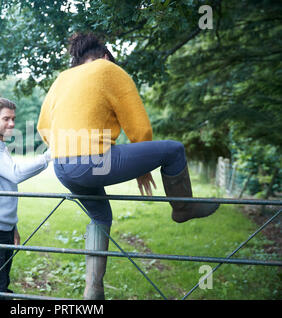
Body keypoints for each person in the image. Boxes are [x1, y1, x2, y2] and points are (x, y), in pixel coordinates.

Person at [37, 32, 219, 300]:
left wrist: (66, 150)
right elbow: (139, 126)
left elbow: (43, 127)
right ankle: (183, 207)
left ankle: (93, 291)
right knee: (174, 150)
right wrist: (142, 166)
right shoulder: (109, 69)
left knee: (100, 217)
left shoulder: (62, 79)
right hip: (92, 162)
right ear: (106, 55)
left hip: (62, 168)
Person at [0, 97, 51, 299]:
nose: (12, 124)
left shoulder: (0, 146)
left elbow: (5, 184)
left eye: (13, 119)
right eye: (6, 119)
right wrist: (48, 156)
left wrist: (12, 226)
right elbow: (15, 174)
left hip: (3, 229)